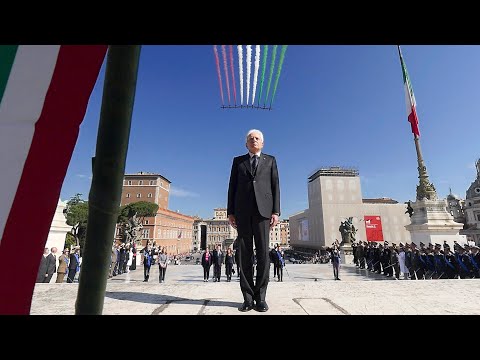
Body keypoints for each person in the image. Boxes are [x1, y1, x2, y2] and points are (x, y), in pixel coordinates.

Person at [227, 129, 280, 312]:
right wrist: (230, 212)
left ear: (262, 143)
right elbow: (232, 186)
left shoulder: (271, 160)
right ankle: (248, 298)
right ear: (246, 144)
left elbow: (275, 187)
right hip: (242, 213)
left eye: (257, 138)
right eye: (251, 139)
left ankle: (261, 297)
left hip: (263, 213)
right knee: (244, 255)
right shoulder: (238, 161)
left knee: (264, 254)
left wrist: (276, 211)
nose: (254, 140)